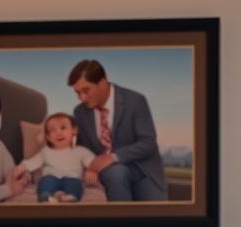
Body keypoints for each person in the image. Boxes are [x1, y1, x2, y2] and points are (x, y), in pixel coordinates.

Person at [68, 59, 167, 202]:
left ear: (102, 83)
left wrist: (113, 157)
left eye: (86, 90)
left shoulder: (136, 101)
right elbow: (83, 148)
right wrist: (88, 166)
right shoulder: (80, 112)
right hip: (110, 172)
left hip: (142, 168)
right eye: (77, 92)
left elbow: (148, 143)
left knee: (158, 217)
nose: (81, 98)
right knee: (116, 173)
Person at [22, 112, 96, 203]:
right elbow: (32, 162)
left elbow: (94, 163)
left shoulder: (81, 151)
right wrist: (21, 168)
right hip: (51, 177)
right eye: (52, 130)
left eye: (63, 128)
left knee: (76, 184)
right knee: (45, 181)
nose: (58, 132)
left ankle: (71, 197)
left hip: (72, 177)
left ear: (74, 130)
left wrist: (92, 170)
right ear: (48, 137)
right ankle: (45, 196)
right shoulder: (46, 151)